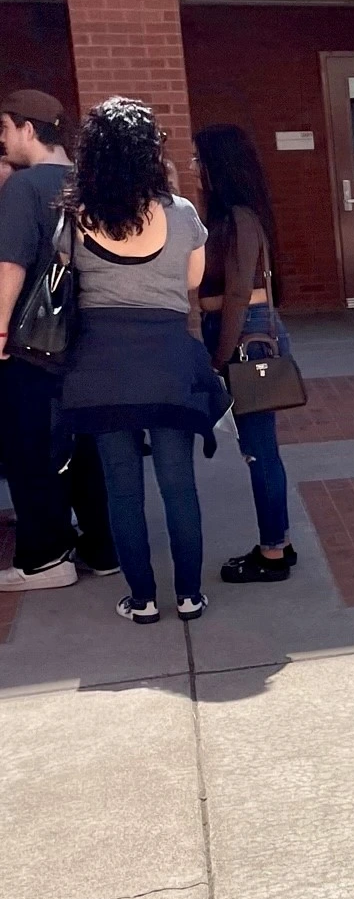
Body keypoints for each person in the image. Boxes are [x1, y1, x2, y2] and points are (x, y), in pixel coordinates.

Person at [57, 98, 225, 624]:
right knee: (179, 483)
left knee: (121, 487)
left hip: (101, 364)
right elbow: (193, 282)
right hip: (168, 359)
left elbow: (66, 274)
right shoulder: (181, 213)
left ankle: (143, 599)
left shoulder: (76, 216)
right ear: (151, 151)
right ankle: (190, 595)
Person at [0, 91, 117, 592]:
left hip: (34, 343)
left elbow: (11, 265)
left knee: (28, 444)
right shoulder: (93, 183)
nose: (2, 139)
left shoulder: (25, 187)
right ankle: (104, 545)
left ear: (28, 128)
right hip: (91, 337)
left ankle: (46, 556)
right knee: (87, 443)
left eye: (4, 128)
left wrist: (0, 329)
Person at [192, 124, 299, 582]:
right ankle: (280, 543)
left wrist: (217, 357)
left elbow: (238, 293)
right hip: (245, 334)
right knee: (258, 448)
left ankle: (273, 552)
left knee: (259, 451)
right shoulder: (232, 214)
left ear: (220, 165)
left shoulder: (239, 216)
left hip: (246, 338)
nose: (196, 167)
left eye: (201, 160)